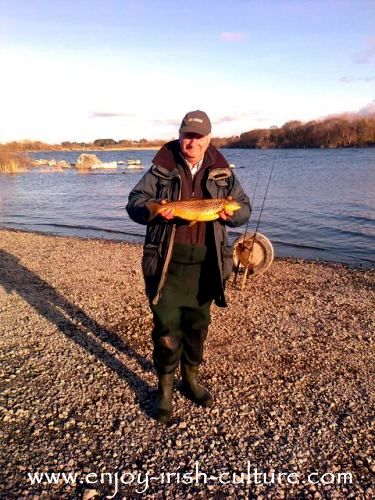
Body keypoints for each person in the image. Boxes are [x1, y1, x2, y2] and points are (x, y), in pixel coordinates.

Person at [126, 110, 251, 423]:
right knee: (166, 329)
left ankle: (190, 380)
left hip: (206, 264)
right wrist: (155, 212)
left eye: (198, 137)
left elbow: (244, 208)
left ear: (208, 139)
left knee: (197, 327)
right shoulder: (161, 168)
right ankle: (165, 388)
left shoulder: (223, 172)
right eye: (187, 136)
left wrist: (231, 216)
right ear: (180, 135)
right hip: (167, 263)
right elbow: (135, 202)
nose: (191, 142)